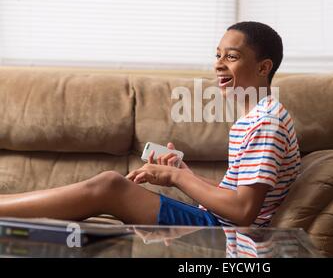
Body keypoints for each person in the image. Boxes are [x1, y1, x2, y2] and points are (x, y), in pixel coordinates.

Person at [0, 21, 301, 227]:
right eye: (217, 54)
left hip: (226, 235)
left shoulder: (266, 124)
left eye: (232, 56)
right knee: (109, 185)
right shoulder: (258, 117)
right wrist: (185, 173)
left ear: (263, 67)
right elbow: (235, 193)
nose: (218, 63)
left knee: (110, 186)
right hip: (217, 221)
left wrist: (176, 179)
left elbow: (243, 211)